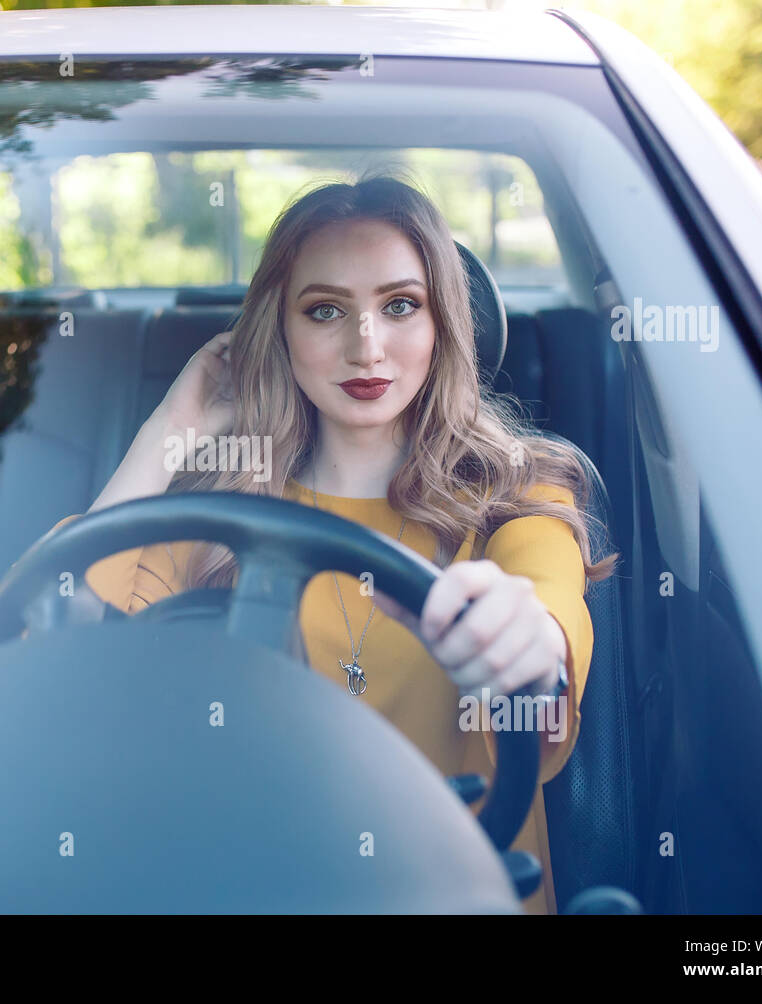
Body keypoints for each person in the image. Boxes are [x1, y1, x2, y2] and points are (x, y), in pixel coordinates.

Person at [50, 172, 617, 914]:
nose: (366, 346)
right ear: (278, 330)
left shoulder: (522, 499)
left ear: (444, 320)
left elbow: (544, 620)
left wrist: (523, 642)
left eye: (401, 306)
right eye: (324, 311)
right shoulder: (209, 518)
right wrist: (168, 435)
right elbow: (54, 649)